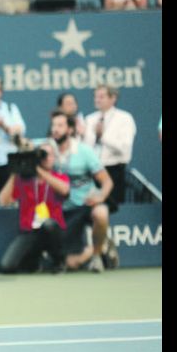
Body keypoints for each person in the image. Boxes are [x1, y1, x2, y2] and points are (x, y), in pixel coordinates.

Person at [48, 111, 115, 273]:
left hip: (86, 205)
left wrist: (100, 196)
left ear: (70, 130)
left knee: (101, 213)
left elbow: (107, 182)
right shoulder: (48, 150)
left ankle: (97, 257)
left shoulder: (84, 151)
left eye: (60, 125)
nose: (55, 129)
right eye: (53, 125)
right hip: (63, 210)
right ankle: (102, 247)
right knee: (72, 264)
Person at [0, 142, 69, 273]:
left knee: (49, 225)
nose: (46, 158)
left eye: (49, 155)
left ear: (54, 158)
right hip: (30, 232)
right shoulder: (24, 180)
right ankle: (34, 260)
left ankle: (59, 261)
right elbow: (3, 201)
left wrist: (38, 170)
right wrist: (15, 172)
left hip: (52, 230)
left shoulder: (59, 177)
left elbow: (64, 190)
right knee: (7, 266)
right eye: (43, 155)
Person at [82, 85, 136, 213]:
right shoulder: (90, 119)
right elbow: (86, 148)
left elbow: (124, 148)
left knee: (114, 209)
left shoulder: (125, 118)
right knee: (91, 209)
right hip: (93, 172)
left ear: (113, 98)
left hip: (114, 171)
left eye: (101, 96)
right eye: (95, 96)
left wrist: (103, 136)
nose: (97, 100)